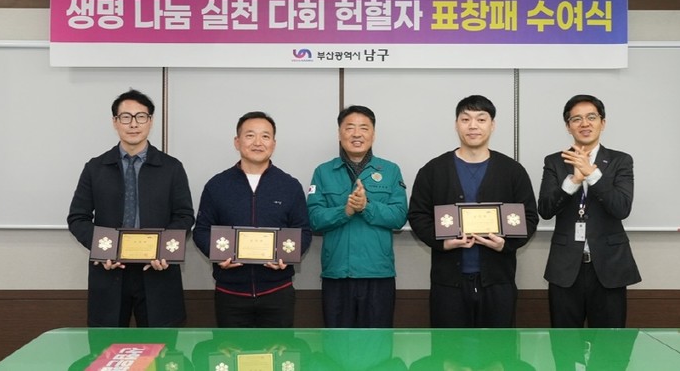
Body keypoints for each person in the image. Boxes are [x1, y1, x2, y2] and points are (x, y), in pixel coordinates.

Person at [408, 95, 538, 328]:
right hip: (448, 283)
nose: (473, 126)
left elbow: (529, 217)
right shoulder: (434, 170)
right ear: (456, 124)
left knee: (497, 348)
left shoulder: (512, 171)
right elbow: (418, 215)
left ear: (492, 125)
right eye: (465, 119)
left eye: (481, 119)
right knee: (449, 348)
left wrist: (505, 244)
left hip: (498, 280)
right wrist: (443, 243)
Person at [67, 89, 195, 327]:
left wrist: (165, 250)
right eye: (126, 117)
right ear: (115, 122)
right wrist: (103, 248)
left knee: (162, 345)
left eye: (141, 117)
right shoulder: (95, 168)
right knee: (106, 345)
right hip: (110, 272)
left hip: (158, 272)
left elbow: (184, 216)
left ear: (150, 121)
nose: (133, 124)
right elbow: (78, 218)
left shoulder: (171, 168)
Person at [193, 111, 311, 328]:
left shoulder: (289, 186)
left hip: (278, 291)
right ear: (237, 142)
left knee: (278, 348)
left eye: (265, 136)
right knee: (231, 348)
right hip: (230, 292)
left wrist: (287, 257)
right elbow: (201, 230)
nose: (258, 142)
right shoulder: (217, 185)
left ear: (274, 143)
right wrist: (217, 255)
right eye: (250, 135)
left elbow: (303, 231)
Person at [538, 94, 640, 328]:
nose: (584, 124)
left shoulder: (620, 161)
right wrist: (573, 181)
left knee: (610, 344)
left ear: (602, 122)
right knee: (564, 343)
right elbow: (545, 209)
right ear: (568, 126)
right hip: (565, 267)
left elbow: (621, 208)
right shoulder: (555, 162)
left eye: (591, 117)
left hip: (610, 266)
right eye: (576, 119)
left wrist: (592, 174)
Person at [307, 105, 407, 328]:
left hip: (378, 274)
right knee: (337, 343)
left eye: (364, 128)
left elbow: (399, 216)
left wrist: (366, 207)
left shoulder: (390, 170)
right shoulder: (323, 172)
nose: (356, 134)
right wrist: (345, 211)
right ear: (339, 133)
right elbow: (314, 219)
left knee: (378, 343)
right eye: (349, 127)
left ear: (373, 134)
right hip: (337, 274)